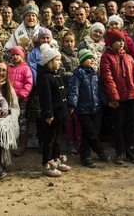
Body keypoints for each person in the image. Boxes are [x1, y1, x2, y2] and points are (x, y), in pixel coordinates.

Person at [100, 29, 134, 164]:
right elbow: (107, 78)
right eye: (117, 41)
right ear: (111, 43)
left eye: (122, 41)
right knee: (118, 124)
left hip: (132, 95)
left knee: (132, 124)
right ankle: (120, 152)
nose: (120, 43)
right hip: (118, 97)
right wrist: (114, 96)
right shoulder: (106, 57)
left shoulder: (129, 57)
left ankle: (131, 150)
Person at [67, 49, 110, 167]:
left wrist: (106, 102)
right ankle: (100, 150)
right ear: (82, 60)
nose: (92, 60)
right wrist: (72, 104)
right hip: (83, 109)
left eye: (93, 58)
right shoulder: (78, 74)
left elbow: (100, 90)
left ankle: (85, 156)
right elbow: (73, 90)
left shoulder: (95, 74)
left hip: (96, 108)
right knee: (90, 132)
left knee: (90, 132)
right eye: (89, 58)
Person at [38, 44, 72, 177]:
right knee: (49, 139)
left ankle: (56, 159)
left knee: (57, 138)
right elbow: (46, 98)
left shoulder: (55, 75)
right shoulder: (45, 77)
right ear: (49, 62)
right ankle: (47, 163)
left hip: (59, 113)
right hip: (52, 115)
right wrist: (48, 114)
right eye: (57, 60)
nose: (60, 62)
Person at [0, 59, 20, 169]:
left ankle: (2, 160)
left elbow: (15, 108)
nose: (1, 73)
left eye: (4, 70)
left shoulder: (9, 89)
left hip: (5, 119)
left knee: (3, 127)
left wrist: (7, 113)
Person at [7, 46, 33, 156]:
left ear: (22, 56)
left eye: (17, 54)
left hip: (21, 100)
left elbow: (29, 83)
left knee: (21, 121)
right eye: (13, 55)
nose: (15, 56)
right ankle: (10, 144)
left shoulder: (26, 68)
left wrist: (22, 95)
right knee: (10, 120)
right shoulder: (8, 67)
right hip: (9, 99)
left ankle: (22, 145)